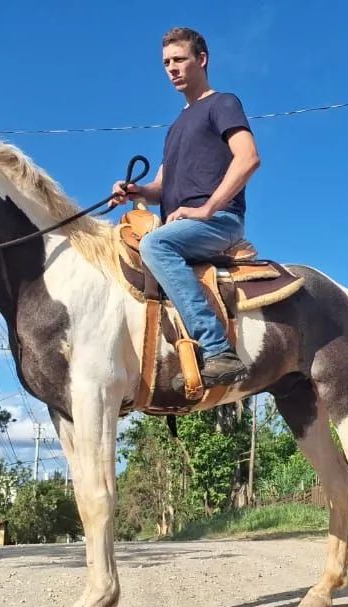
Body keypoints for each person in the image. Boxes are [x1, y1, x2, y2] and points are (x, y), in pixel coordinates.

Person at [111, 26, 261, 388]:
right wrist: (136, 192)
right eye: (166, 63)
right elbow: (162, 188)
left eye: (179, 59)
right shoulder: (176, 125)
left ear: (202, 60)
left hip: (219, 221)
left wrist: (207, 209)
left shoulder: (223, 103)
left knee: (155, 244)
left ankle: (217, 350)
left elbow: (248, 158)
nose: (172, 69)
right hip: (181, 222)